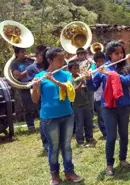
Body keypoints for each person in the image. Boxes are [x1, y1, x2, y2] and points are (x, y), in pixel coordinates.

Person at [31, 47, 83, 185]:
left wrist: (54, 80)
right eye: (59, 59)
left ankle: (69, 172)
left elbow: (69, 88)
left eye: (63, 58)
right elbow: (35, 100)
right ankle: (54, 174)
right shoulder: (39, 76)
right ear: (49, 60)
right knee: (53, 147)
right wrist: (36, 87)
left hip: (67, 114)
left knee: (66, 145)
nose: (62, 61)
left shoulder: (66, 74)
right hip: (49, 117)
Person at [86, 41, 130, 176]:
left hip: (123, 106)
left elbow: (127, 81)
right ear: (110, 55)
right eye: (116, 53)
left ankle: (123, 159)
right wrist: (89, 79)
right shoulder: (103, 68)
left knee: (124, 135)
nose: (120, 55)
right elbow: (92, 88)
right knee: (111, 137)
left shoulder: (126, 67)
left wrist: (111, 74)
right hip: (108, 107)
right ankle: (109, 164)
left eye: (121, 53)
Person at [68, 60, 96, 146]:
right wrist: (82, 82)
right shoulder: (70, 80)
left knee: (89, 122)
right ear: (70, 70)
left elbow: (89, 89)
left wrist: (87, 80)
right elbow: (75, 90)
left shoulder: (81, 77)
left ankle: (89, 137)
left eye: (77, 68)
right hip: (77, 105)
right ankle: (80, 140)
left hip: (86, 103)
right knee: (79, 124)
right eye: (74, 68)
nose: (77, 70)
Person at [26, 45, 49, 152]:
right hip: (40, 98)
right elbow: (34, 84)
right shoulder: (31, 68)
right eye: (43, 55)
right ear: (37, 56)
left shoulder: (48, 65)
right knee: (43, 120)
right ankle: (46, 143)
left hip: (51, 96)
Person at [11, 46, 36, 133]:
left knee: (40, 103)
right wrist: (29, 68)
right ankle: (31, 126)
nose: (24, 53)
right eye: (22, 52)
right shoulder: (15, 64)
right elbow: (18, 75)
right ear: (17, 54)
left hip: (35, 83)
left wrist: (34, 58)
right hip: (24, 86)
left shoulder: (30, 60)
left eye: (25, 51)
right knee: (27, 107)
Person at [92, 52, 107, 138]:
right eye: (99, 61)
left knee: (107, 116)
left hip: (107, 97)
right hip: (98, 98)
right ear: (96, 63)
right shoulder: (93, 72)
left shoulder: (107, 69)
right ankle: (105, 133)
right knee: (101, 116)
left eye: (102, 61)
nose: (101, 63)